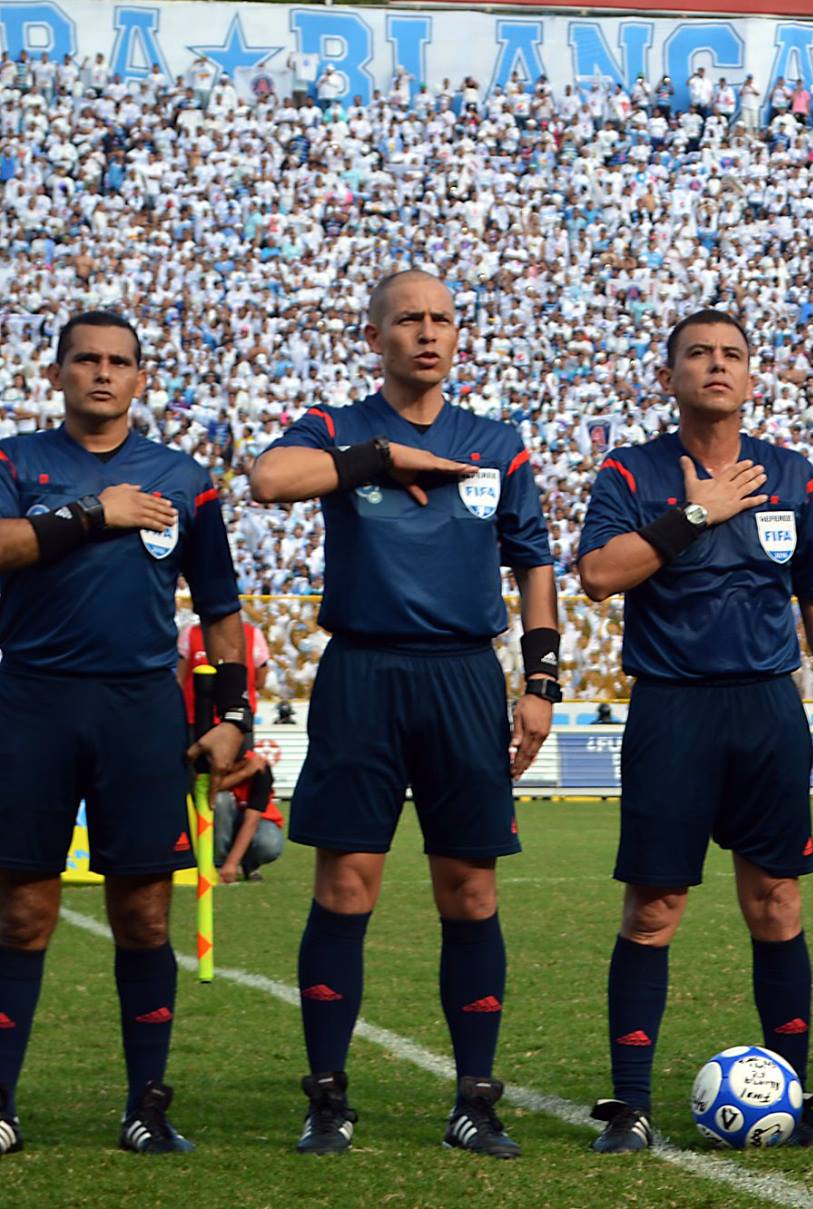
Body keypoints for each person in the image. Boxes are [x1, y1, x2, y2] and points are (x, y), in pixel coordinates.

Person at [248, 270, 560, 1158]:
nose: (428, 332)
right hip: (364, 671)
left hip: (464, 674)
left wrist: (541, 682)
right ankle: (327, 1098)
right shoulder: (338, 426)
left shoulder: (495, 442)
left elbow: (533, 561)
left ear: (458, 336)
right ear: (374, 336)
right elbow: (269, 478)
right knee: (346, 884)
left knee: (471, 888)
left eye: (442, 319)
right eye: (409, 319)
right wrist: (381, 458)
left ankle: (475, 1099)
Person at [574, 309, 813, 1153]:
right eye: (698, 353)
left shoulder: (792, 474)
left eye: (732, 354)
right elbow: (597, 575)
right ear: (669, 376)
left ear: (750, 375)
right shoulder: (631, 472)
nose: (716, 365)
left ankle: (793, 1094)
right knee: (655, 906)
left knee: (777, 901)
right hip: (673, 707)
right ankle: (630, 1104)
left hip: (768, 708)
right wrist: (693, 516)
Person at [0, 311, 254, 1154]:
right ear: (57, 373)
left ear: (141, 379)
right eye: (86, 359)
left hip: (141, 710)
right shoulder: (15, 460)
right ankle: (0, 1104)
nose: (103, 373)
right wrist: (92, 514)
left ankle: (147, 1106)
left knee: (144, 914)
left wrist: (231, 718)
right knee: (21, 912)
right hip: (31, 701)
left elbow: (220, 608)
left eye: (119, 361)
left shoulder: (183, 477)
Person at [178, 618, 283, 883]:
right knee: (210, 791)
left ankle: (243, 862)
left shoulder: (252, 634)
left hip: (235, 719)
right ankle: (211, 858)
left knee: (264, 835)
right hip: (198, 721)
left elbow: (260, 678)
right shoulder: (189, 634)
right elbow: (180, 677)